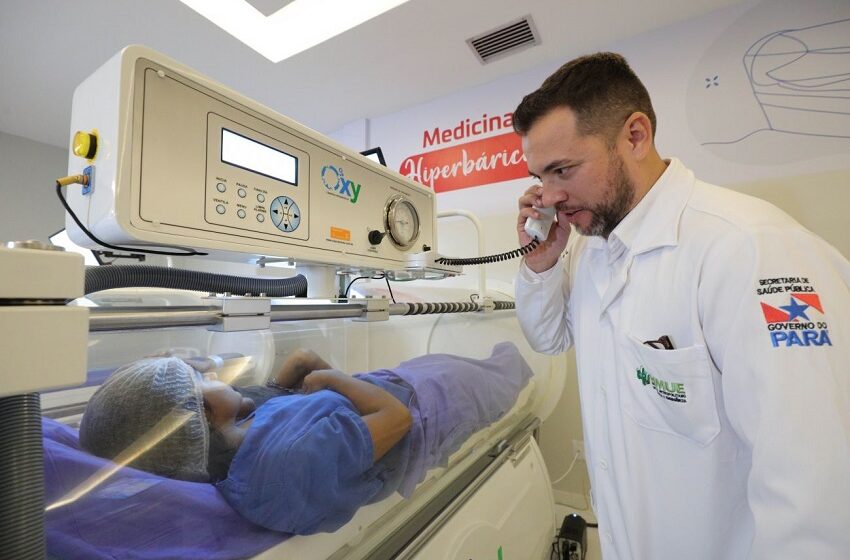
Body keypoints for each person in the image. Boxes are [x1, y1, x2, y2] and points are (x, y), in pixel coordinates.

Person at [513, 52, 850, 559]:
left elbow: (816, 490)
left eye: (564, 169)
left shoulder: (750, 248)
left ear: (635, 136)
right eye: (542, 175)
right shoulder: (592, 247)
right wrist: (541, 263)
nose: (551, 196)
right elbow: (550, 338)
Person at [79, 342, 532, 535]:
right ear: (202, 414)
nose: (213, 374)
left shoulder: (240, 451)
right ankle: (531, 357)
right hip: (433, 407)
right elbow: (396, 419)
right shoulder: (287, 463)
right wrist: (336, 379)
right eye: (202, 382)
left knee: (483, 363)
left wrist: (286, 381)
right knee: (507, 374)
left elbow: (287, 414)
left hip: (400, 383)